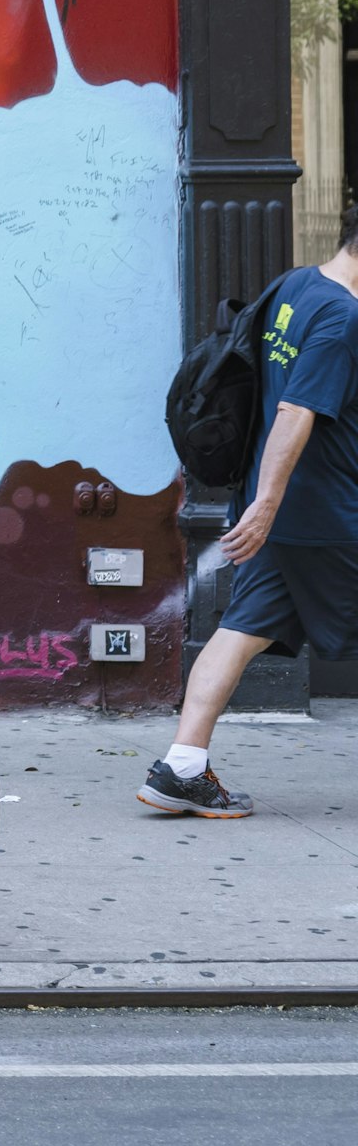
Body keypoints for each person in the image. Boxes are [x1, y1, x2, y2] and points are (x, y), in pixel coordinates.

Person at [140, 223, 358, 817]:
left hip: (283, 514)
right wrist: (266, 505)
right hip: (325, 514)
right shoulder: (342, 318)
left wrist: (263, 505)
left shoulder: (295, 286)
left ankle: (181, 768)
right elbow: (294, 410)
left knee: (241, 629)